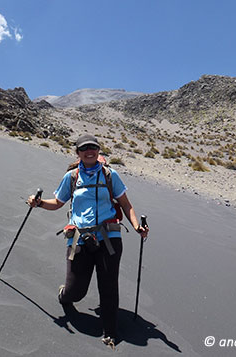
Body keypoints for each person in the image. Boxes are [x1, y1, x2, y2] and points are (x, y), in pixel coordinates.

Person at [28, 133, 149, 347]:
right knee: (76, 291)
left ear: (99, 150)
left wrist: (137, 226)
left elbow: (126, 204)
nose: (89, 150)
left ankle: (110, 332)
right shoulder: (72, 177)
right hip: (79, 240)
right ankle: (64, 295)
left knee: (108, 286)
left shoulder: (111, 175)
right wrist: (38, 203)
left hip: (109, 237)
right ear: (78, 153)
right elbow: (57, 202)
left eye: (93, 146)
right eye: (84, 148)